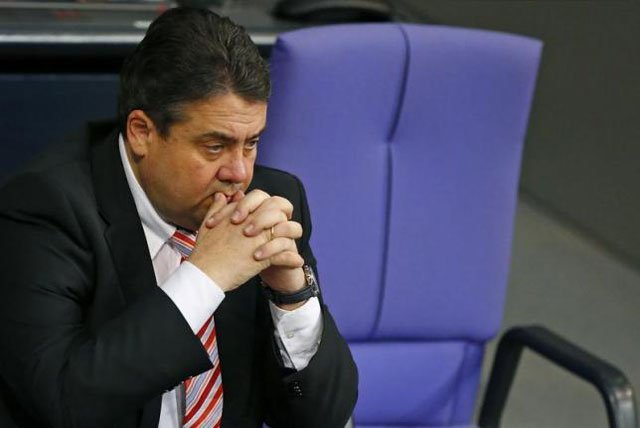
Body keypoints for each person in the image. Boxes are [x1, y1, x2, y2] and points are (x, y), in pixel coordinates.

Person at [0, 7, 357, 428]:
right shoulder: (46, 208)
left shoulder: (269, 201)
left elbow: (323, 416)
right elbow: (63, 403)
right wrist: (205, 278)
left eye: (252, 142)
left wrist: (291, 297)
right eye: (214, 146)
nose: (239, 172)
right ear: (142, 133)